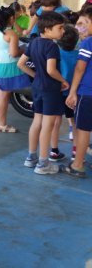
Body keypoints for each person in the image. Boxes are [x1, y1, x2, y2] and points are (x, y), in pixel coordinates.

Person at [17, 11, 68, 174]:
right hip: (50, 89)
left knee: (37, 122)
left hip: (37, 88)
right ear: (47, 29)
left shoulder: (34, 43)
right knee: (48, 125)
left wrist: (36, 76)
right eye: (60, 28)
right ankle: (43, 163)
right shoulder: (52, 46)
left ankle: (31, 157)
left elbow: (21, 64)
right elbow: (51, 70)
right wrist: (63, 81)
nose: (63, 31)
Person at [0, 5, 29, 133]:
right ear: (11, 19)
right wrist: (25, 49)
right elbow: (14, 53)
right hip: (7, 66)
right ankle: (2, 124)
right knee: (4, 95)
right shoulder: (11, 34)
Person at [64, 14, 92, 178]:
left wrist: (73, 91)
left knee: (83, 129)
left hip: (87, 93)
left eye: (83, 23)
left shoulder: (87, 43)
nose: (79, 27)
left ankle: (78, 164)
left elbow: (80, 69)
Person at [49, 25, 78, 161]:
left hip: (58, 92)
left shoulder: (56, 54)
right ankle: (76, 151)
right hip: (74, 94)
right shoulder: (79, 55)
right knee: (75, 122)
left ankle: (54, 151)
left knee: (56, 122)